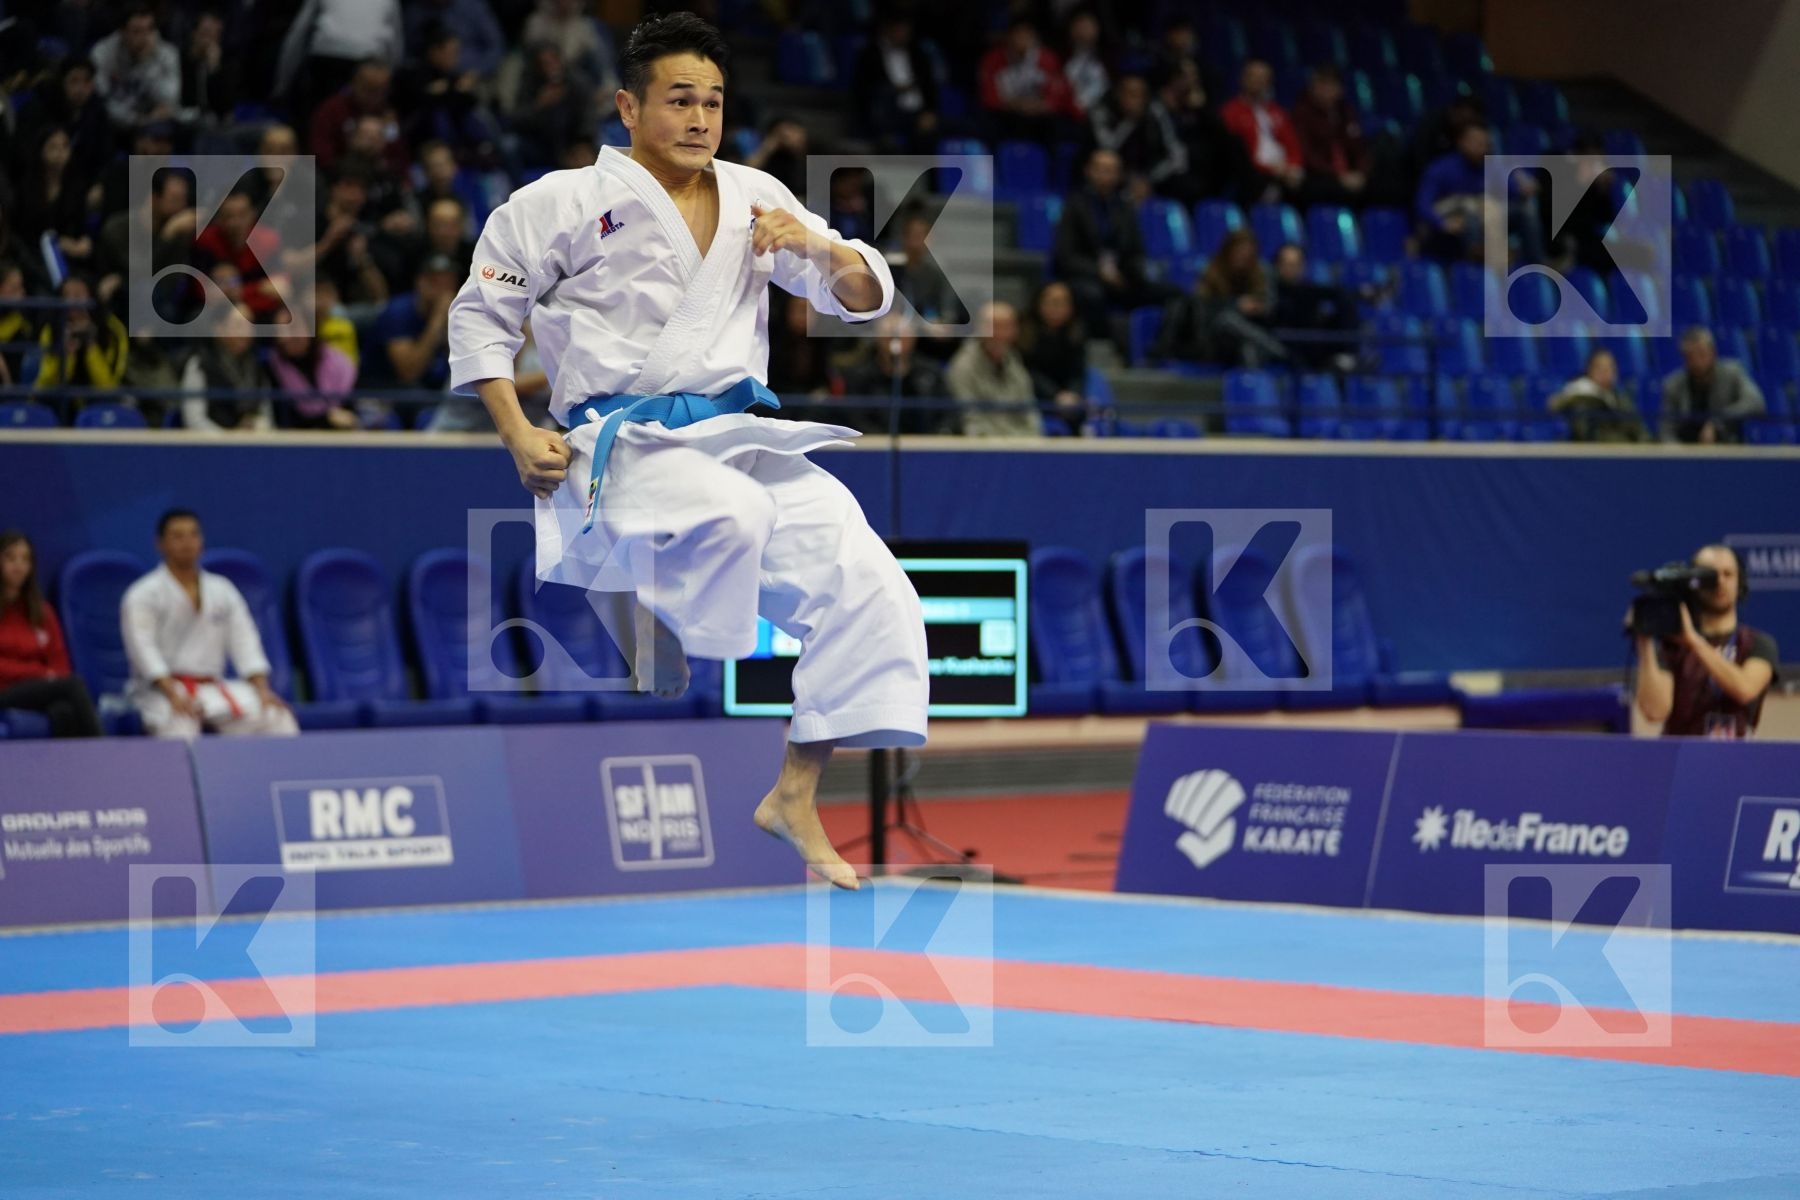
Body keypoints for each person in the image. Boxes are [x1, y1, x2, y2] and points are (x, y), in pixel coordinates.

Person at [446, 12, 927, 889]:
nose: (700, 118)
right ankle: (648, 606)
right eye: (679, 100)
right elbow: (483, 317)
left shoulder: (756, 195)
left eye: (712, 101)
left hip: (738, 434)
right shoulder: (557, 202)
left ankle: (794, 791)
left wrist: (819, 246)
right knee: (731, 514)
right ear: (629, 107)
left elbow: (863, 297)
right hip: (624, 443)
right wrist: (516, 430)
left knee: (874, 584)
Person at [121, 510, 301, 741]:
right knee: (180, 725)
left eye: (193, 535)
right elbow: (142, 648)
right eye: (177, 536)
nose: (187, 543)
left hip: (211, 687)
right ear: (160, 544)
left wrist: (262, 690)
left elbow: (245, 641)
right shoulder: (143, 593)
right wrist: (172, 693)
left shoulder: (222, 589)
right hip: (160, 691)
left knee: (276, 716)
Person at [1633, 544, 1779, 738]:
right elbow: (1655, 712)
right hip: (1680, 752)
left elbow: (1745, 689)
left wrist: (1693, 640)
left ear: (1740, 582)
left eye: (1728, 574)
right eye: (1709, 576)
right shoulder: (1673, 646)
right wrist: (1644, 641)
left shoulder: (1758, 644)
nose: (1720, 582)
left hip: (1736, 753)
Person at [1052, 149, 1171, 343]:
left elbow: (1137, 250)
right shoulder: (1074, 205)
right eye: (1101, 169)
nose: (1106, 175)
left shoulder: (1125, 207)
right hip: (1086, 276)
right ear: (1088, 171)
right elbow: (1065, 256)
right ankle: (1107, 345)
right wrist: (1100, 272)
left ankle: (1159, 346)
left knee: (1170, 294)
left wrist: (1133, 271)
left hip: (1121, 277)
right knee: (1092, 295)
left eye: (1112, 170)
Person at [0, 531, 101, 738]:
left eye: (25, 559)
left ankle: (69, 759)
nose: (18, 565)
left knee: (62, 711)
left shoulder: (41, 610)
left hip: (40, 688)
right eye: (10, 558)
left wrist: (47, 676)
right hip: (5, 689)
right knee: (73, 686)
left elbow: (59, 660)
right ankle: (104, 749)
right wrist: (40, 672)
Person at [1158, 229, 1285, 367]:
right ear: (1228, 251)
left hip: (1245, 335)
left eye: (1247, 255)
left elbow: (1271, 307)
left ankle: (1252, 377)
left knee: (1248, 347)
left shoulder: (1261, 274)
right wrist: (1236, 305)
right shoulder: (1211, 271)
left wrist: (1259, 308)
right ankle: (1279, 351)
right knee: (1227, 320)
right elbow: (1202, 309)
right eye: (1239, 252)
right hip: (1214, 339)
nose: (1243, 257)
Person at [836, 312, 949, 435]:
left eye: (902, 337)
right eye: (889, 338)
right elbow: (855, 420)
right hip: (874, 443)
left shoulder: (931, 374)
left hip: (926, 443)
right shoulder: (859, 377)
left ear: (913, 338)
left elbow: (948, 415)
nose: (895, 344)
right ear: (878, 339)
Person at [976, 17, 1081, 143]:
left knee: (1057, 125)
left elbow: (1056, 95)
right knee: (987, 123)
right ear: (1009, 37)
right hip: (1006, 114)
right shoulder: (993, 59)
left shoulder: (1047, 59)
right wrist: (1017, 105)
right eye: (1018, 34)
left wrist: (1038, 106)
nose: (1022, 39)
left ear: (1034, 37)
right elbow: (989, 97)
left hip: (1039, 116)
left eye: (1027, 34)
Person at [851, 10, 941, 153]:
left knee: (960, 126)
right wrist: (894, 89)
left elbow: (929, 86)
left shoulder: (918, 56)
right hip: (890, 112)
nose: (903, 34)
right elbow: (864, 89)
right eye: (899, 30)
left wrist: (929, 111)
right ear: (887, 29)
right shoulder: (870, 55)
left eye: (906, 30)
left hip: (918, 112)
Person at [946, 301, 1039, 437]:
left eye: (1007, 327)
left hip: (1020, 439)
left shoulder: (1014, 362)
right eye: (995, 327)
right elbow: (969, 418)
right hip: (982, 442)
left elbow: (1029, 410)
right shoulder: (963, 366)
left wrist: (1034, 438)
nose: (1001, 334)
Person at [1660, 327, 1765, 444]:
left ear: (1712, 352)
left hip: (1726, 447)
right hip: (1686, 449)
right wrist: (1676, 450)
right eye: (1690, 357)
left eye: (1701, 354)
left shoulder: (1732, 373)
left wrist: (1717, 421)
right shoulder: (1672, 384)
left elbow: (1755, 402)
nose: (1697, 362)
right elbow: (1666, 430)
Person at [88, 6, 183, 135]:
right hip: (113, 125)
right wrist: (136, 120)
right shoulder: (103, 52)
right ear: (122, 32)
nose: (144, 37)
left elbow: (169, 100)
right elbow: (101, 100)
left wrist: (147, 63)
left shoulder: (168, 54)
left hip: (152, 125)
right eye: (137, 31)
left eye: (149, 29)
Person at [1219, 60, 1303, 204]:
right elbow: (1239, 155)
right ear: (1243, 79)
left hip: (1284, 170)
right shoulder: (1230, 112)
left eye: (1264, 78)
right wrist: (1270, 170)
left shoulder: (1278, 112)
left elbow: (1293, 145)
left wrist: (1293, 167)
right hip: (1255, 173)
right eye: (1254, 77)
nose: (1259, 82)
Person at [1269, 244, 1358, 370]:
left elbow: (1338, 294)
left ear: (1303, 267)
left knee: (1344, 301)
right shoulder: (1270, 293)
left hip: (1314, 352)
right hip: (1283, 352)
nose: (1291, 269)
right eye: (1287, 264)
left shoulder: (1309, 290)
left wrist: (1360, 293)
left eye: (1296, 265)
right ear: (1277, 266)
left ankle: (1348, 357)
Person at [1291, 66, 1369, 205]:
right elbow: (1308, 154)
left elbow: (1360, 148)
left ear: (1340, 89)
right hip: (1320, 176)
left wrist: (1361, 173)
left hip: (1351, 175)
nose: (1326, 90)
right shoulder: (1302, 113)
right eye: (1322, 85)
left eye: (1331, 85)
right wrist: (1338, 176)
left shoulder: (1346, 112)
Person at [1021, 281, 1090, 435]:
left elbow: (1078, 372)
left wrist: (1073, 394)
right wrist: (1055, 395)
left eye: (1064, 303)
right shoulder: (1024, 333)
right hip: (1034, 395)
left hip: (1068, 398)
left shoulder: (1076, 333)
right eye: (1053, 302)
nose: (1058, 308)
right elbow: (1027, 371)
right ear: (1039, 304)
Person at [1550, 347, 1649, 442]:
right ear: (1590, 369)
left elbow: (1637, 427)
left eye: (1611, 367)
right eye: (1601, 368)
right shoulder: (1579, 397)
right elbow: (1586, 434)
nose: (1607, 372)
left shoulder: (1619, 397)